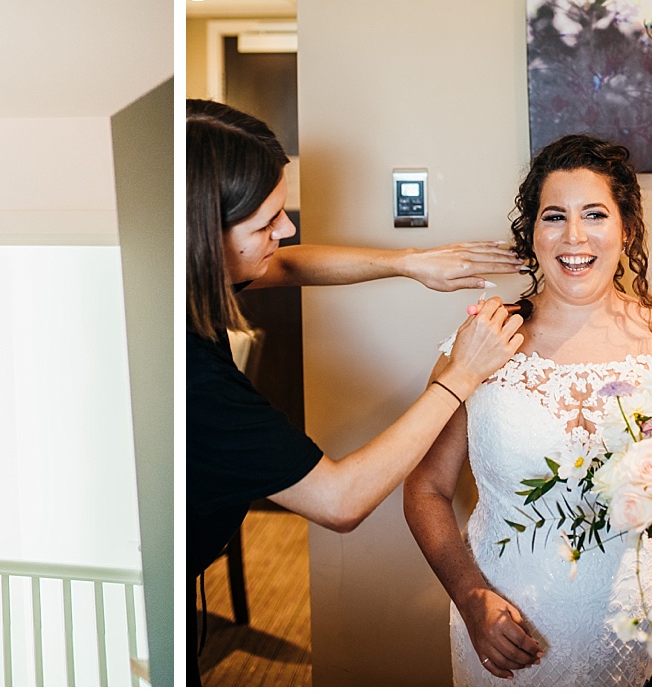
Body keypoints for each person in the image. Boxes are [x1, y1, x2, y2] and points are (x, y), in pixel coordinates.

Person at [185, 100, 527, 683]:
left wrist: (409, 263)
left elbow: (287, 267)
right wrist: (461, 376)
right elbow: (339, 501)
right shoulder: (197, 379)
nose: (287, 228)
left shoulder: (194, 269)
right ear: (204, 236)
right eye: (266, 222)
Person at [405, 135, 652, 686]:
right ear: (532, 234)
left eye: (595, 214)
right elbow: (425, 490)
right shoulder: (483, 342)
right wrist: (473, 600)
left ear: (627, 230)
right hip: (514, 634)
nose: (574, 236)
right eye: (553, 216)